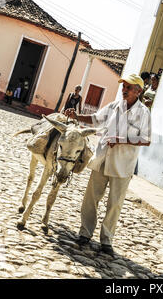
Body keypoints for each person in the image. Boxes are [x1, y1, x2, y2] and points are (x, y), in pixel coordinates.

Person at [64, 73, 151, 256]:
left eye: (128, 88)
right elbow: (96, 119)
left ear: (138, 91)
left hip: (123, 165)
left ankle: (106, 241)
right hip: (103, 159)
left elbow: (146, 139)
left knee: (115, 204)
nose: (124, 90)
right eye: (123, 87)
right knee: (91, 198)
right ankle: (85, 234)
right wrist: (77, 116)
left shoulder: (143, 113)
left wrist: (121, 140)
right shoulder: (114, 106)